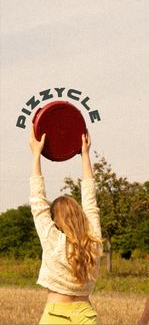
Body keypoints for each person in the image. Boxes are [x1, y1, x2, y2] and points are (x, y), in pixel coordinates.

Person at [29, 127, 102, 324]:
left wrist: (36, 155)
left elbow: (38, 201)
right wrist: (84, 155)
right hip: (86, 317)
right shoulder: (93, 241)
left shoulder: (53, 240)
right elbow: (90, 200)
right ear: (80, 215)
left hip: (55, 317)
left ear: (54, 221)